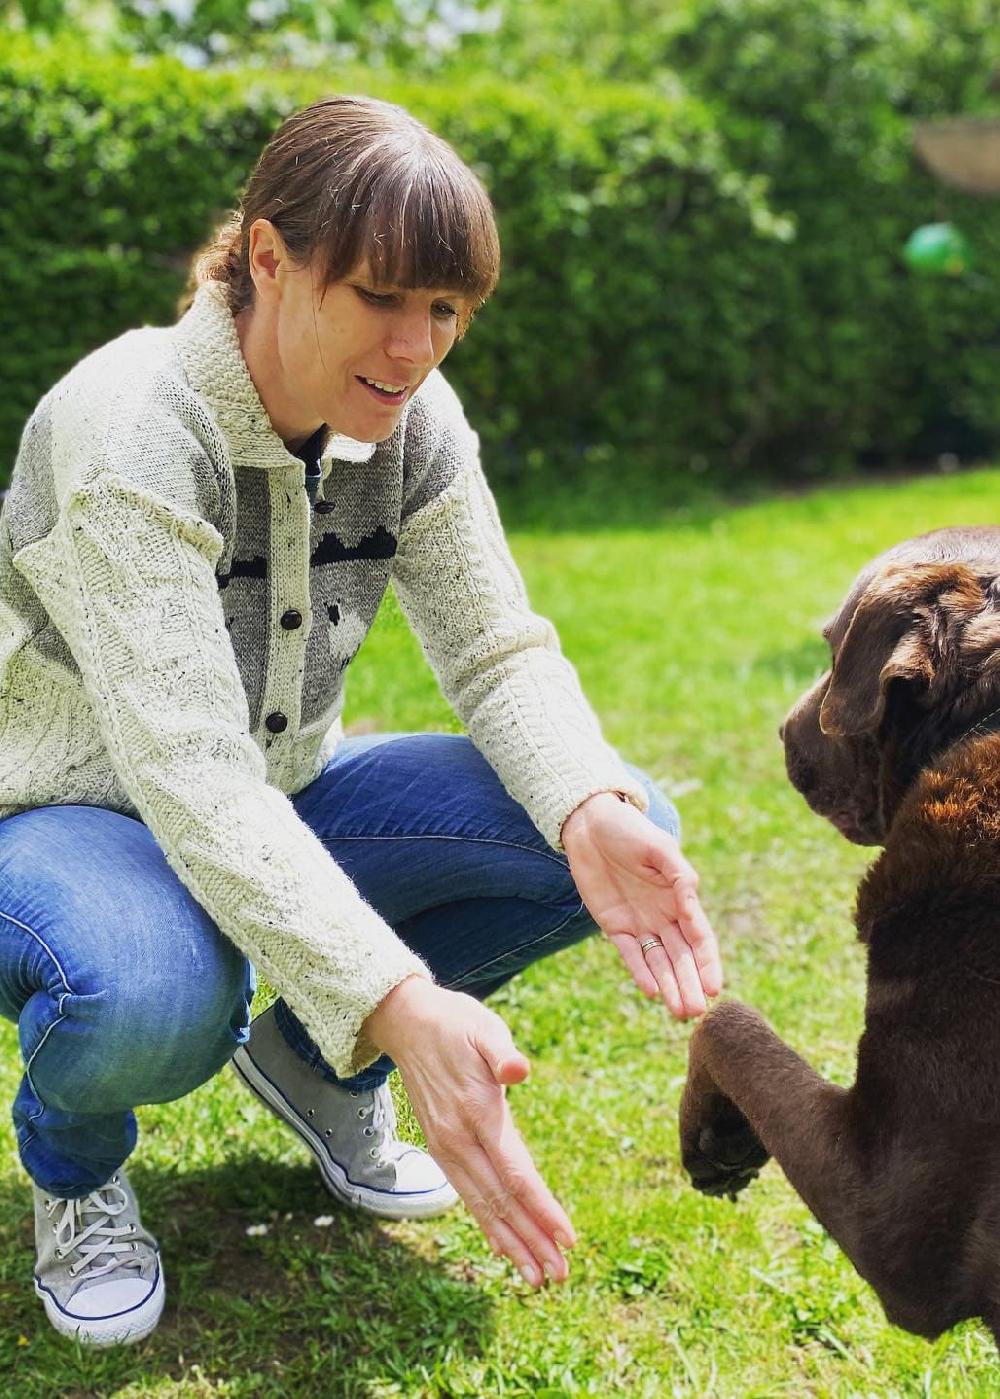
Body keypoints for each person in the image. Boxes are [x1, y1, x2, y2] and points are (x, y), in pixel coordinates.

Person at [0, 94, 722, 1348]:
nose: (416, 344)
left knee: (611, 819)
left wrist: (588, 804)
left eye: (445, 308)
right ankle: (74, 1175)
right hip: (67, 812)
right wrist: (396, 995)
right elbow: (187, 775)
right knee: (155, 996)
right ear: (270, 259)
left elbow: (497, 654)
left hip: (271, 790)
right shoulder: (130, 431)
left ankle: (315, 1072)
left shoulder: (410, 422)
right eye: (383, 297)